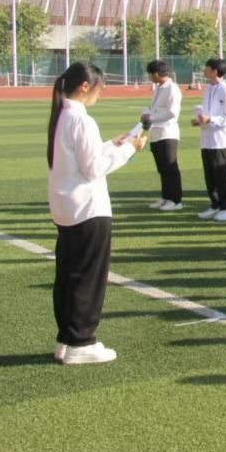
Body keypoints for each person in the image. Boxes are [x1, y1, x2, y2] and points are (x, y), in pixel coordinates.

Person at [47, 63, 147, 364]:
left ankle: (68, 339)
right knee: (88, 277)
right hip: (88, 208)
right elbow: (93, 168)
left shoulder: (62, 115)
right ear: (84, 87)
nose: (100, 95)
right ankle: (81, 341)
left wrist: (111, 145)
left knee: (69, 275)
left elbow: (80, 158)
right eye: (99, 89)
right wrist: (129, 149)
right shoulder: (81, 119)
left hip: (68, 208)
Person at [191, 58, 226, 222]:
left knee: (221, 174)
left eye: (207, 68)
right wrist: (199, 121)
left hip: (220, 139)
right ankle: (215, 204)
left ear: (215, 71)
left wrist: (211, 119)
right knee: (210, 175)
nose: (204, 70)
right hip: (207, 138)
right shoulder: (208, 89)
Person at [142, 59, 183, 211]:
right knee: (162, 168)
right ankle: (166, 196)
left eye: (150, 74)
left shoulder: (172, 89)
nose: (149, 77)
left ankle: (175, 200)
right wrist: (147, 114)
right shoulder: (159, 88)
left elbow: (172, 112)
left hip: (167, 133)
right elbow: (155, 108)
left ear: (156, 74)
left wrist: (151, 118)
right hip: (156, 133)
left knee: (170, 168)